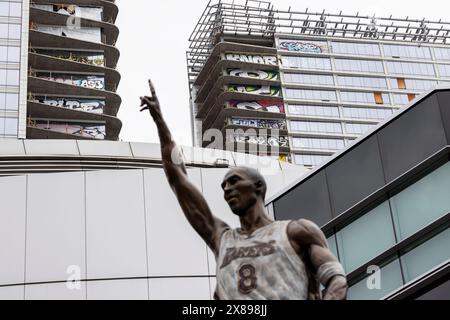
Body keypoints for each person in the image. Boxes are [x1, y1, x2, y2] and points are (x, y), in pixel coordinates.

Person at [140, 81, 348, 300]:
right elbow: (178, 180)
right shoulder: (222, 238)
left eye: (234, 181)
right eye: (223, 186)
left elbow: (337, 281)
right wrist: (160, 123)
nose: (227, 189)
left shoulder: (295, 232)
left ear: (258, 186)